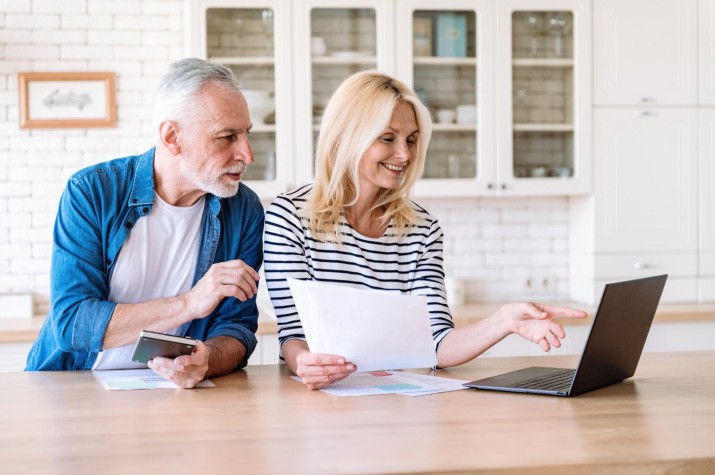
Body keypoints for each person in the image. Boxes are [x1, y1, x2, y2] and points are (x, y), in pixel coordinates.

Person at [263, 70, 586, 390]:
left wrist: (505, 321)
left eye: (412, 140)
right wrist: (306, 363)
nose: (404, 154)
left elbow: (438, 344)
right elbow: (294, 334)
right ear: (345, 137)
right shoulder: (291, 216)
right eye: (387, 138)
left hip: (392, 398)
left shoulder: (420, 228)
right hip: (316, 397)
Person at [25, 58, 264, 389]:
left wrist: (206, 359)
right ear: (172, 137)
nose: (247, 155)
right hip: (74, 385)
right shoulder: (93, 192)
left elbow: (236, 328)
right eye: (227, 137)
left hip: (174, 395)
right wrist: (189, 304)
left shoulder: (244, 209)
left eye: (246, 134)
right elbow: (72, 324)